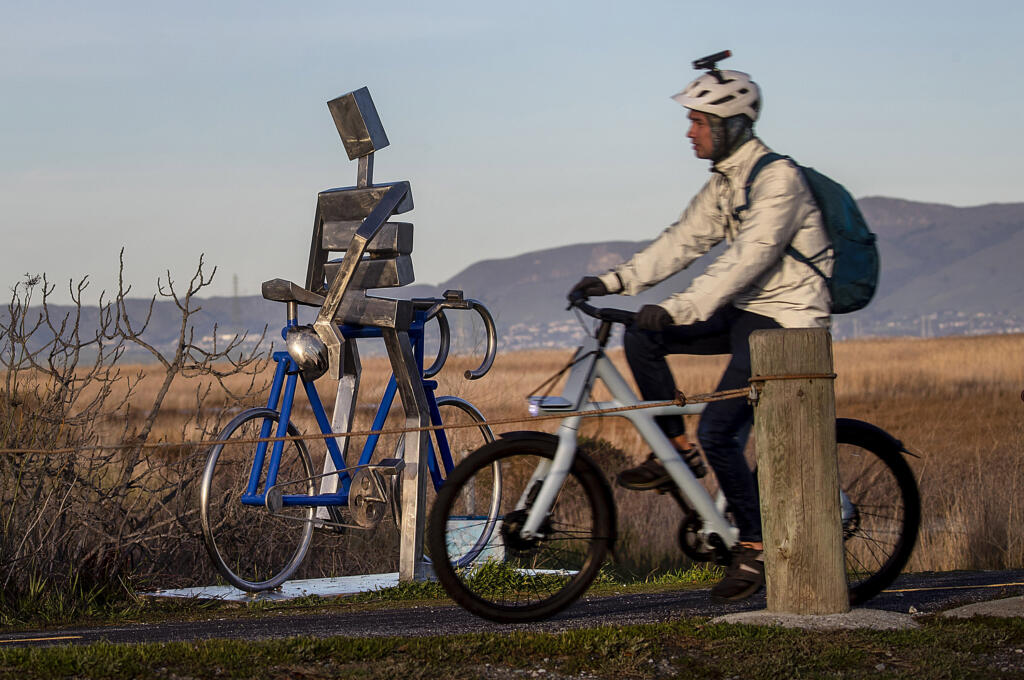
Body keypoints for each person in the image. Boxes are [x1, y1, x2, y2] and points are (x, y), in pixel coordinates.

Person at [569, 61, 832, 602]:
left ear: (731, 124)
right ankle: (677, 453)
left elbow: (749, 258)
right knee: (642, 337)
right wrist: (615, 280)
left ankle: (755, 549)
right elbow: (681, 242)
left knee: (720, 429)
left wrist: (679, 308)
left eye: (698, 121)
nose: (689, 131)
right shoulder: (725, 183)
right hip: (749, 309)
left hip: (788, 318)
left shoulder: (778, 178)